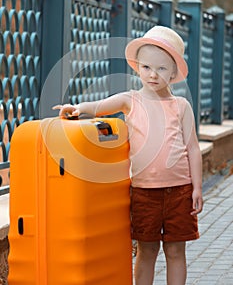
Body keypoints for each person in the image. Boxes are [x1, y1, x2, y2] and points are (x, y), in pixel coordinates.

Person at [53, 26, 203, 285]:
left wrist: (197, 188)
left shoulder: (181, 106)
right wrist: (77, 109)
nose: (153, 75)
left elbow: (192, 148)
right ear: (137, 67)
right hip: (145, 192)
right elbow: (99, 107)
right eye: (147, 67)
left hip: (180, 190)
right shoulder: (130, 101)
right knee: (146, 250)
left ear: (175, 72)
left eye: (162, 69)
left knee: (176, 251)